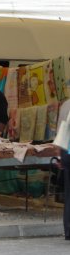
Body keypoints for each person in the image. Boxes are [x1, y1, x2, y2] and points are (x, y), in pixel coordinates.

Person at [57, 98, 70, 240]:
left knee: (69, 193)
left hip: (66, 152)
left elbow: (60, 132)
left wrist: (59, 156)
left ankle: (68, 230)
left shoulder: (66, 105)